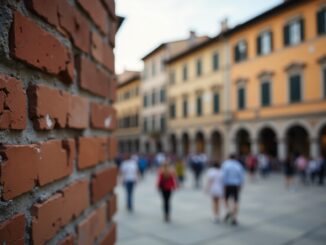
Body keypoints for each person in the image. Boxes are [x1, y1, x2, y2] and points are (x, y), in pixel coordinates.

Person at [221, 154, 245, 226]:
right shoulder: (239, 165)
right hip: (236, 185)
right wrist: (241, 185)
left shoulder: (225, 164)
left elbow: (223, 175)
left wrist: (223, 185)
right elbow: (241, 176)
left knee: (225, 199)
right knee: (236, 201)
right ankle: (235, 218)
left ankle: (229, 211)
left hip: (227, 185)